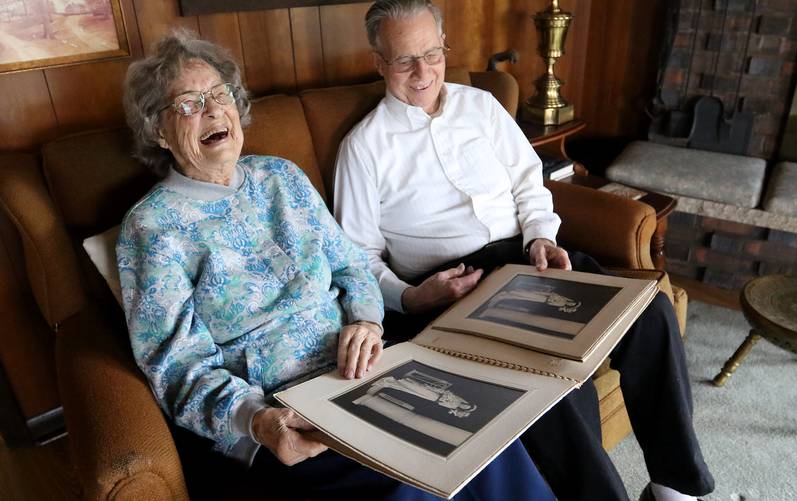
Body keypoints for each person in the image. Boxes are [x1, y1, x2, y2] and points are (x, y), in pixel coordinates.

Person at [116, 29, 556, 501]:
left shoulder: (282, 177)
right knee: (412, 486)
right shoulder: (152, 228)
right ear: (158, 131)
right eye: (188, 103)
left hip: (362, 371)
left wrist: (367, 321)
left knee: (484, 441)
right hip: (279, 408)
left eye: (219, 95)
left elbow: (352, 268)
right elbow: (175, 364)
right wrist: (258, 419)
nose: (212, 111)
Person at [334, 0, 715, 501]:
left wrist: (541, 237)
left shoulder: (481, 106)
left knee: (648, 314)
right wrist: (411, 296)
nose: (422, 72)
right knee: (545, 387)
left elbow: (529, 183)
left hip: (527, 259)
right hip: (449, 291)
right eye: (404, 60)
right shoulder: (363, 148)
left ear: (445, 45)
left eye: (432, 54)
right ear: (379, 62)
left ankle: (676, 488)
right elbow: (356, 258)